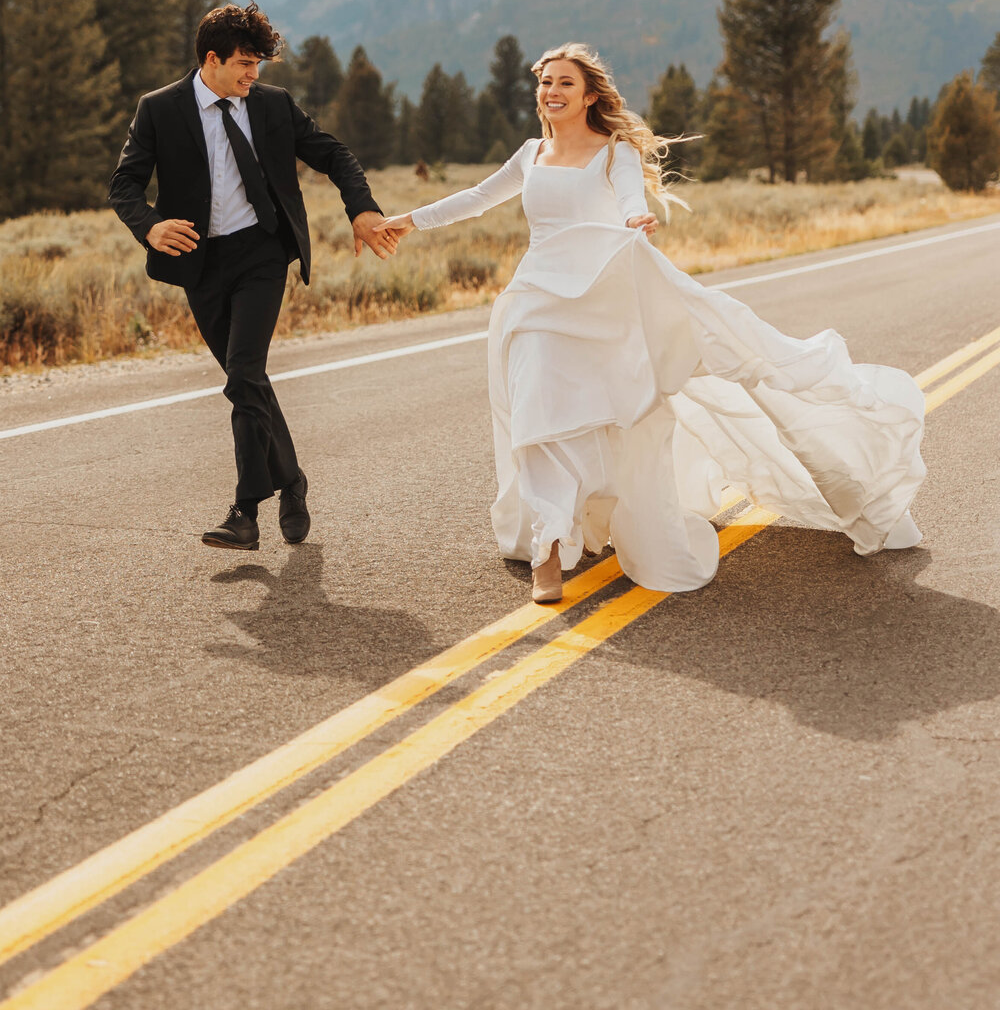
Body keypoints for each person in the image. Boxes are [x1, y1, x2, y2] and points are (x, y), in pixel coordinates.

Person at [372, 43, 926, 605]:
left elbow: (630, 203)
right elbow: (476, 198)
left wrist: (636, 218)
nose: (552, 92)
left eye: (565, 83)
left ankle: (593, 516)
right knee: (536, 419)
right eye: (546, 83)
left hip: (598, 305)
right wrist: (406, 221)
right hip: (534, 303)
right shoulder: (530, 154)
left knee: (600, 422)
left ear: (590, 96)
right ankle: (547, 552)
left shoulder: (615, 154)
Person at [109, 2, 394, 551]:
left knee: (242, 374)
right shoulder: (160, 109)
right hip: (200, 262)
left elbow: (333, 154)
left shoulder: (272, 105)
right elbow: (124, 184)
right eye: (243, 63)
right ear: (211, 60)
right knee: (250, 381)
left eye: (258, 63)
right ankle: (292, 481)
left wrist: (361, 208)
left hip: (262, 254)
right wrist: (149, 226)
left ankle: (245, 511)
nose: (253, 74)